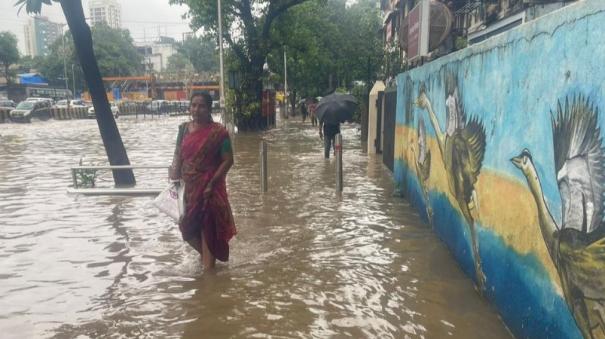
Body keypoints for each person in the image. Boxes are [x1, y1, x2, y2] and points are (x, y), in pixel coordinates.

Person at [169, 91, 236, 270]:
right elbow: (178, 154)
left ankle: (209, 279)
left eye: (201, 106)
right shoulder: (183, 129)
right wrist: (173, 174)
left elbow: (228, 160)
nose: (196, 110)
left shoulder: (219, 133)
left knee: (208, 227)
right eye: (193, 105)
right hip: (188, 189)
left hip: (210, 190)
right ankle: (209, 257)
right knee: (187, 229)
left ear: (209, 109)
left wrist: (212, 183)